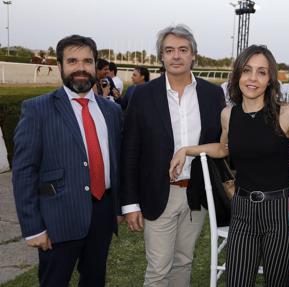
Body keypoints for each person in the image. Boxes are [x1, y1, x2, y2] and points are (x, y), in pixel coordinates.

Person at [169, 45, 289, 287]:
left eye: (261, 72)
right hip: (242, 211)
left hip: (280, 212)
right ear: (238, 74)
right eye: (247, 70)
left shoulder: (287, 115)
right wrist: (187, 150)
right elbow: (223, 148)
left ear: (270, 79)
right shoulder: (228, 115)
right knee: (236, 281)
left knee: (276, 283)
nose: (253, 78)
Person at [12, 34, 123, 287]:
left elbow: (115, 161)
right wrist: (33, 227)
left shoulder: (113, 111)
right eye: (72, 61)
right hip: (57, 217)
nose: (81, 68)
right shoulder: (37, 109)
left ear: (96, 65)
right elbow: (24, 171)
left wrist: (116, 208)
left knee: (95, 279)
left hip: (102, 212)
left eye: (87, 61)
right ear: (60, 66)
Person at [121, 24, 225, 287]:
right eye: (169, 50)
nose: (176, 56)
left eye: (182, 50)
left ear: (193, 55)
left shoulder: (213, 94)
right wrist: (130, 203)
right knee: (158, 270)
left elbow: (221, 145)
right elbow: (130, 151)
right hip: (158, 193)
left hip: (197, 195)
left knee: (184, 262)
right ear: (161, 57)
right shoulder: (142, 95)